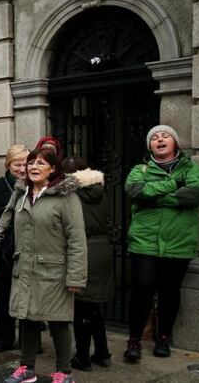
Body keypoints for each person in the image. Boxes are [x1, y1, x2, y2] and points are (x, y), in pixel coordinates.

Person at [0, 148, 87, 383]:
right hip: (25, 267)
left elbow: (77, 239)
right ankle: (26, 368)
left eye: (40, 163)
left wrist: (76, 276)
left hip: (55, 271)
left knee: (58, 321)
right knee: (27, 318)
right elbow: (1, 226)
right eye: (31, 163)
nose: (33, 167)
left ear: (53, 169)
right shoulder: (21, 193)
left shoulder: (66, 197)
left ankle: (64, 372)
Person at [123, 125, 199, 362]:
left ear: (175, 143)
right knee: (143, 288)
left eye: (165, 136)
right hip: (144, 240)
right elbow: (135, 192)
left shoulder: (192, 169)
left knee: (170, 292)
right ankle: (134, 341)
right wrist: (174, 186)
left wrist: (155, 197)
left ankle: (163, 338)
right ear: (149, 146)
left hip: (178, 242)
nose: (160, 140)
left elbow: (194, 196)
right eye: (154, 138)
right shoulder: (140, 169)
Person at [61, 157, 113, 372]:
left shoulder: (71, 194)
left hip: (82, 251)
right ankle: (102, 352)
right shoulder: (99, 190)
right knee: (93, 307)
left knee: (81, 307)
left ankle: (82, 357)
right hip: (102, 251)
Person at [0, 145, 29, 353]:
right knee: (3, 297)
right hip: (3, 250)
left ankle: (30, 341)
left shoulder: (35, 185)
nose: (21, 169)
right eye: (16, 164)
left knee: (28, 299)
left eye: (24, 164)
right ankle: (3, 337)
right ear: (8, 165)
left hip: (28, 248)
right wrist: (7, 212)